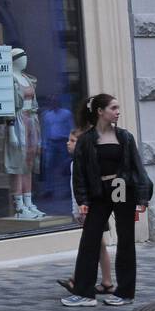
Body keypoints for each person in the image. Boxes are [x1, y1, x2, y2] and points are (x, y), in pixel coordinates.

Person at [61, 94, 153, 307]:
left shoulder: (125, 137)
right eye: (113, 107)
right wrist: (82, 200)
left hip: (121, 189)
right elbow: (80, 174)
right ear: (100, 112)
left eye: (118, 107)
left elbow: (137, 168)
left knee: (126, 239)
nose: (118, 111)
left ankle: (124, 292)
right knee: (90, 239)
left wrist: (142, 197)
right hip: (99, 192)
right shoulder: (86, 140)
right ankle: (84, 293)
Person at [57, 120, 115, 297]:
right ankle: (106, 282)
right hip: (91, 210)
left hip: (91, 211)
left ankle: (78, 280)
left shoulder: (84, 163)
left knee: (89, 247)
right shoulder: (77, 162)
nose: (68, 143)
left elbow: (84, 191)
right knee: (98, 246)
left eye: (73, 140)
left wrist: (82, 211)